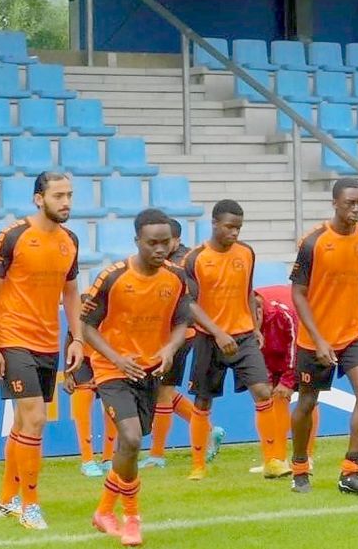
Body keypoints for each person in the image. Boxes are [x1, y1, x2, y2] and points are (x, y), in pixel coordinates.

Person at [82, 208, 192, 547]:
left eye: (165, 243)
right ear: (137, 242)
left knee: (130, 448)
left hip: (148, 370)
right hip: (112, 368)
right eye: (152, 243)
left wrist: (170, 349)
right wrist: (115, 357)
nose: (160, 250)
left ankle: (103, 511)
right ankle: (132, 519)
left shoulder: (175, 278)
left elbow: (180, 322)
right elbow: (86, 326)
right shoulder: (113, 277)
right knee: (129, 439)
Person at [0, 172, 83, 530]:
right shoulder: (12, 236)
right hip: (14, 339)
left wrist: (77, 338)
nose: (66, 201)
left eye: (69, 195)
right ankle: (30, 505)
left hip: (48, 340)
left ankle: (5, 500)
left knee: (26, 422)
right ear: (38, 198)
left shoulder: (70, 240)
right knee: (36, 418)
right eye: (58, 195)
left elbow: (71, 293)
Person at [182, 200, 287, 481]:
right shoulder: (195, 259)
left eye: (238, 228)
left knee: (263, 392)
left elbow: (248, 292)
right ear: (214, 223)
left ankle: (272, 461)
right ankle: (198, 465)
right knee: (203, 402)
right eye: (229, 227)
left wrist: (255, 327)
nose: (235, 233)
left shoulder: (246, 253)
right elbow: (189, 303)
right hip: (209, 339)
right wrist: (217, 332)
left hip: (242, 337)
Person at [289, 178, 358, 495]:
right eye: (349, 203)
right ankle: (299, 468)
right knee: (307, 402)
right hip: (316, 338)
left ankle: (351, 471)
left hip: (354, 332)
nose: (355, 208)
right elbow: (297, 293)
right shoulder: (313, 242)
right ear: (335, 203)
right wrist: (320, 339)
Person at [139, 218, 224, 469]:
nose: (160, 247)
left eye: (165, 241)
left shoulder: (179, 265)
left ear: (175, 241)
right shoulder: (179, 261)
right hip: (175, 335)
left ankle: (157, 454)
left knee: (163, 392)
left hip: (180, 335)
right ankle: (210, 430)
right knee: (162, 391)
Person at [249, 284, 319, 474]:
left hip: (307, 339)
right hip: (274, 349)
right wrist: (269, 378)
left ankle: (307, 456)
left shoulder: (283, 314)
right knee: (273, 395)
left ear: (260, 310)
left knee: (307, 395)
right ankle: (276, 459)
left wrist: (288, 380)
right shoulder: (244, 320)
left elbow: (296, 347)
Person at [64, 308, 117, 478]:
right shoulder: (84, 305)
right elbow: (70, 339)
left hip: (106, 360)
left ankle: (108, 459)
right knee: (83, 403)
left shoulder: (114, 310)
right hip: (83, 360)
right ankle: (87, 460)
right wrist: (67, 374)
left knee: (112, 407)